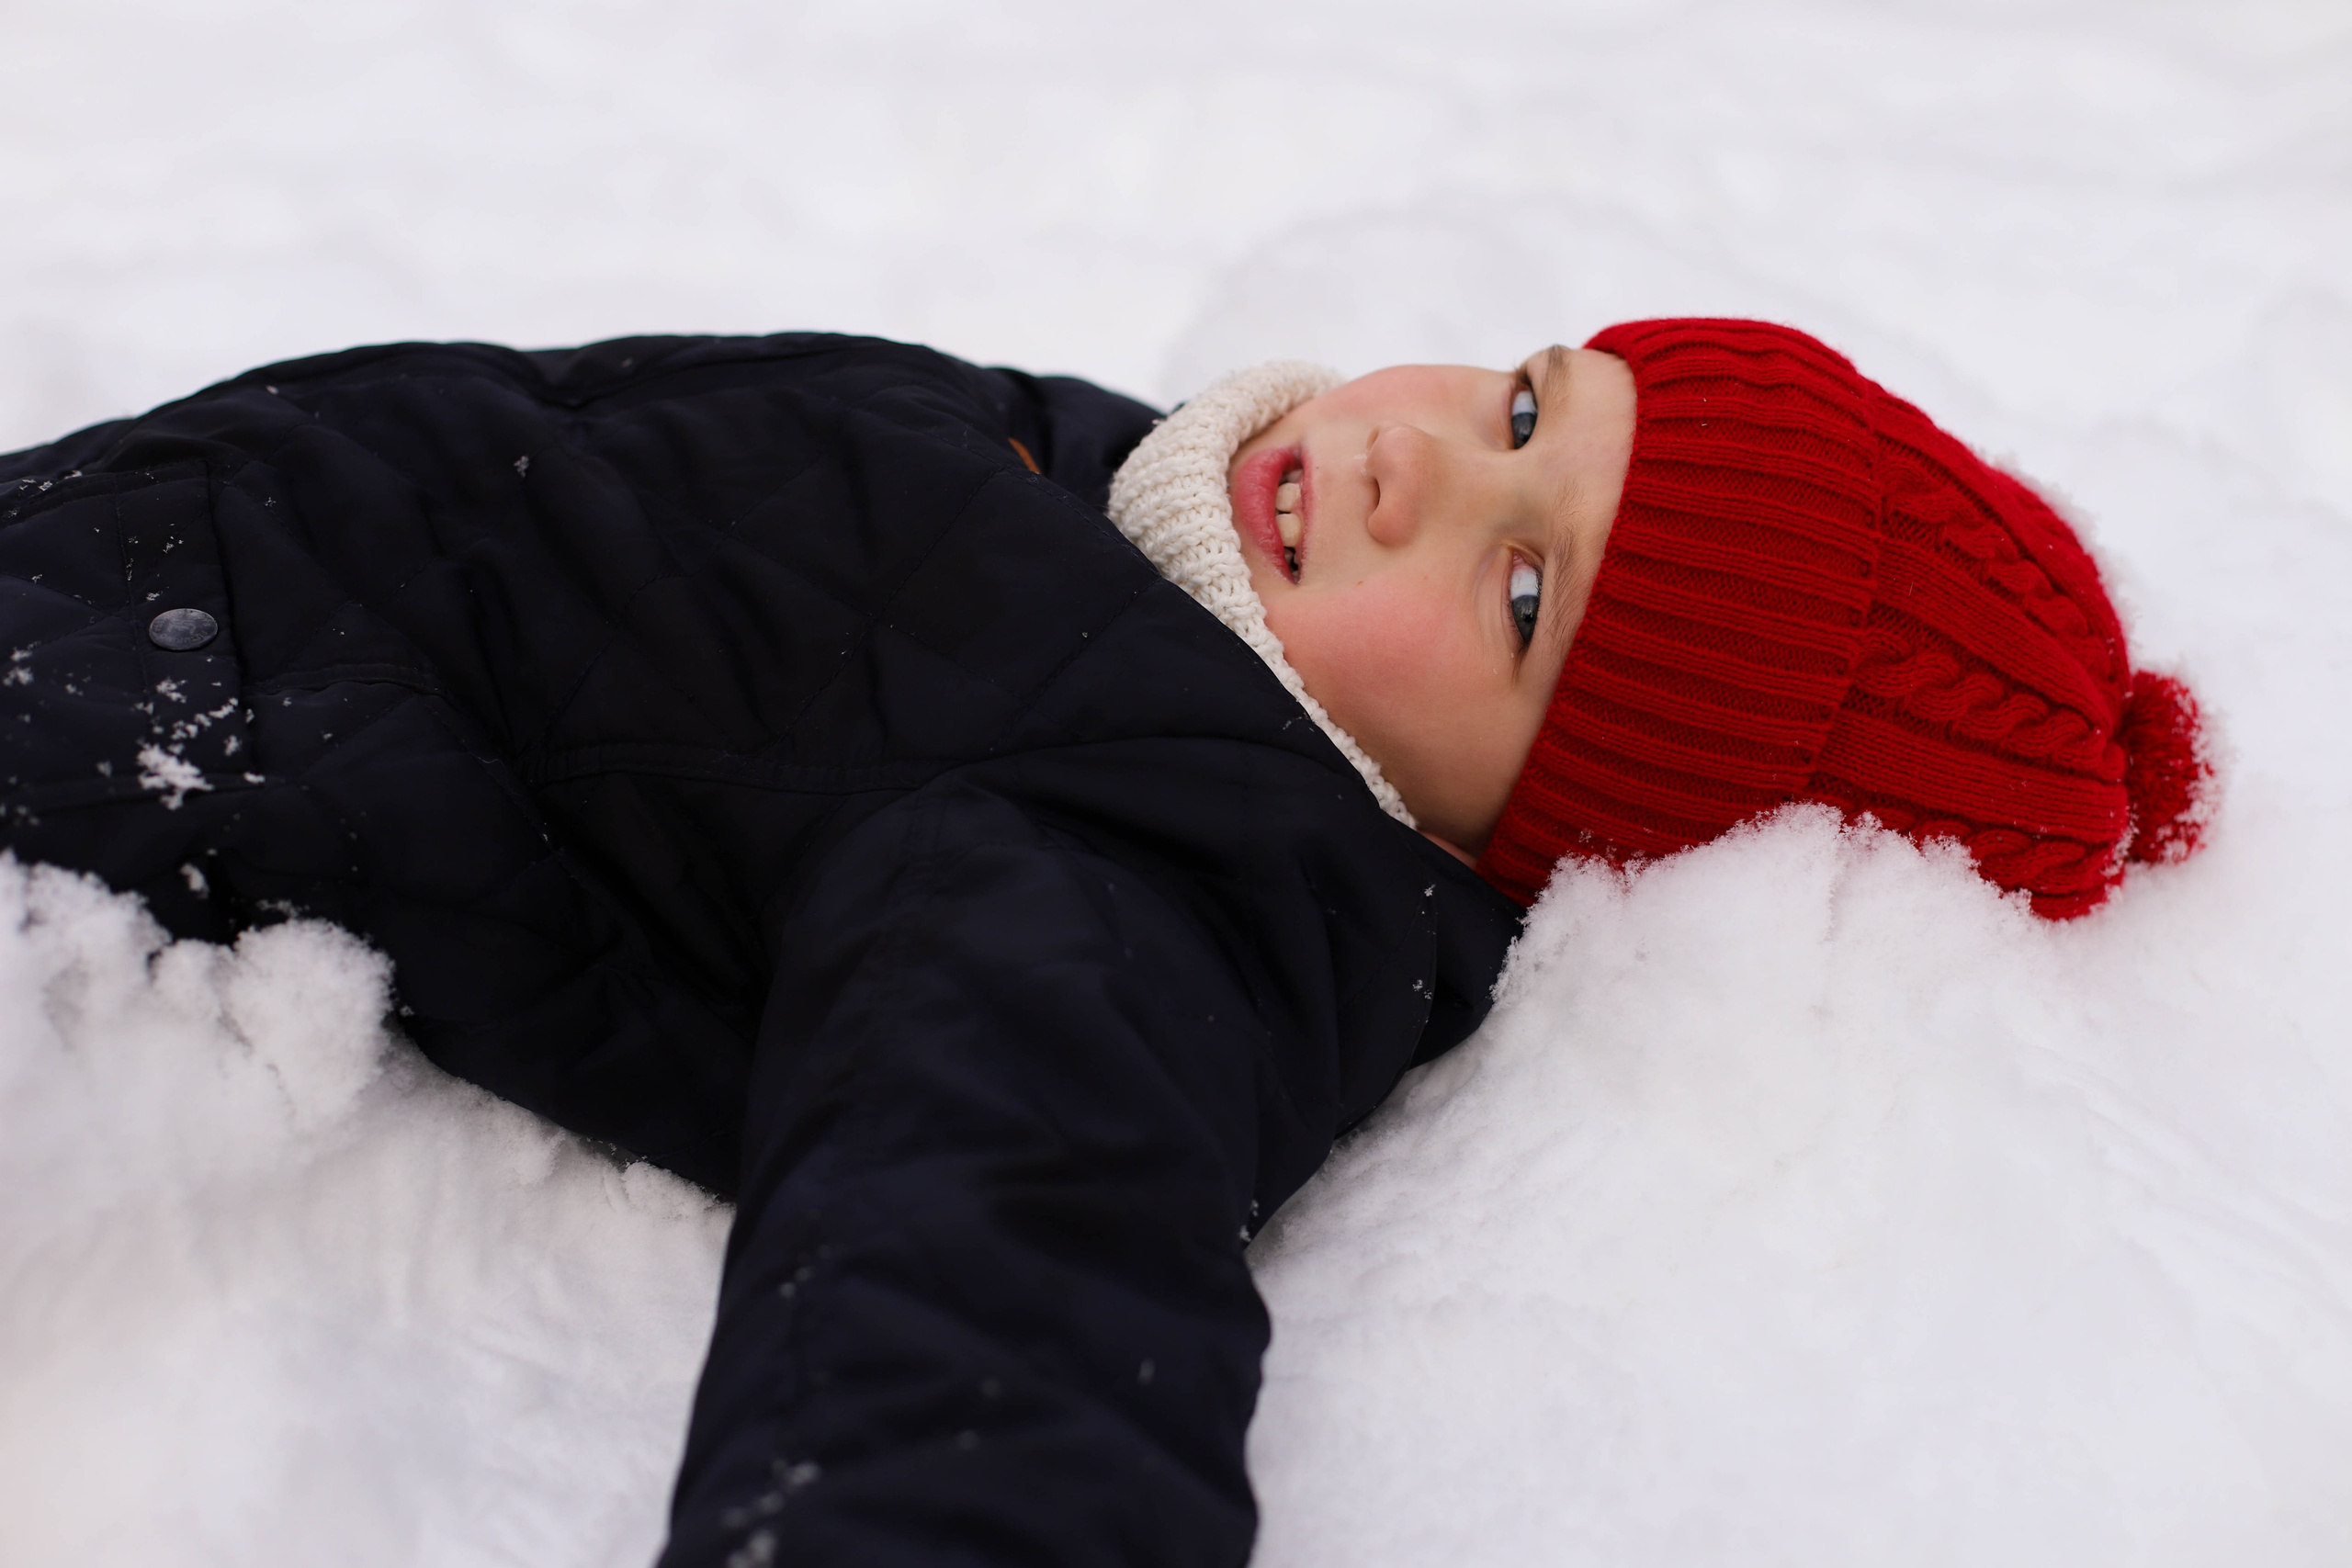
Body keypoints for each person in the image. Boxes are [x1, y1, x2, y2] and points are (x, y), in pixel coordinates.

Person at [0, 317, 2208, 1565]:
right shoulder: (1158, 539)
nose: (1423, 471)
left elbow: (1008, 1226)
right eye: (1526, 404)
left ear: (1525, 835)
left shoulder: (1171, 857)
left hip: (123, 741)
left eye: (1522, 598)